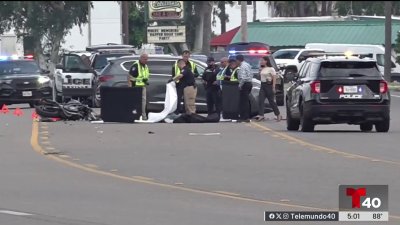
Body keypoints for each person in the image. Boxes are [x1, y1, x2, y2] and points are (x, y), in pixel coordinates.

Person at [254, 56, 282, 122]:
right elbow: (260, 76)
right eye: (261, 61)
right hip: (262, 85)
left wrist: (273, 87)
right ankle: (261, 115)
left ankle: (278, 114)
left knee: (271, 101)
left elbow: (274, 78)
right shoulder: (262, 68)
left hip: (268, 85)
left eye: (262, 60)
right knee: (260, 100)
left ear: (266, 61)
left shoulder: (271, 69)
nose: (261, 62)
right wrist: (260, 70)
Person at [128, 53, 149, 120]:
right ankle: (134, 115)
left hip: (143, 86)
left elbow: (146, 75)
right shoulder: (135, 66)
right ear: (141, 58)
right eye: (145, 59)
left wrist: (145, 80)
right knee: (135, 102)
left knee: (143, 102)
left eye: (147, 59)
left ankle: (143, 116)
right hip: (136, 87)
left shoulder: (145, 66)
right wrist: (130, 86)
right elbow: (130, 77)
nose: (146, 60)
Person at [236, 54, 253, 123]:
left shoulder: (242, 66)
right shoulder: (247, 65)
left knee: (243, 102)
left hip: (245, 84)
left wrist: (240, 85)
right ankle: (246, 116)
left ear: (238, 60)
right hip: (249, 83)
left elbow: (242, 77)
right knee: (246, 101)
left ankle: (244, 117)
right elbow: (251, 74)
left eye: (236, 61)